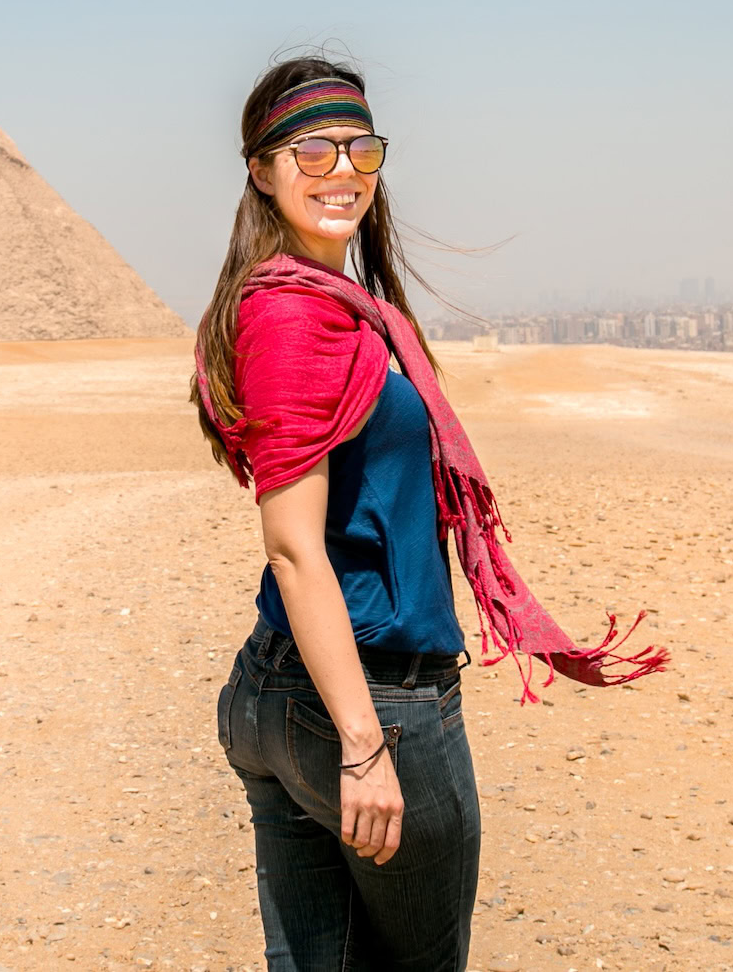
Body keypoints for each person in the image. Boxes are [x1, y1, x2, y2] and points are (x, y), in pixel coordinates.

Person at [193, 57, 668, 970]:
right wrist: (367, 746)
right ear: (259, 167)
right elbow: (294, 548)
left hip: (280, 690)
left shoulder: (333, 304)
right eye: (312, 147)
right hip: (370, 700)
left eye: (360, 147)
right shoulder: (296, 317)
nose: (343, 170)